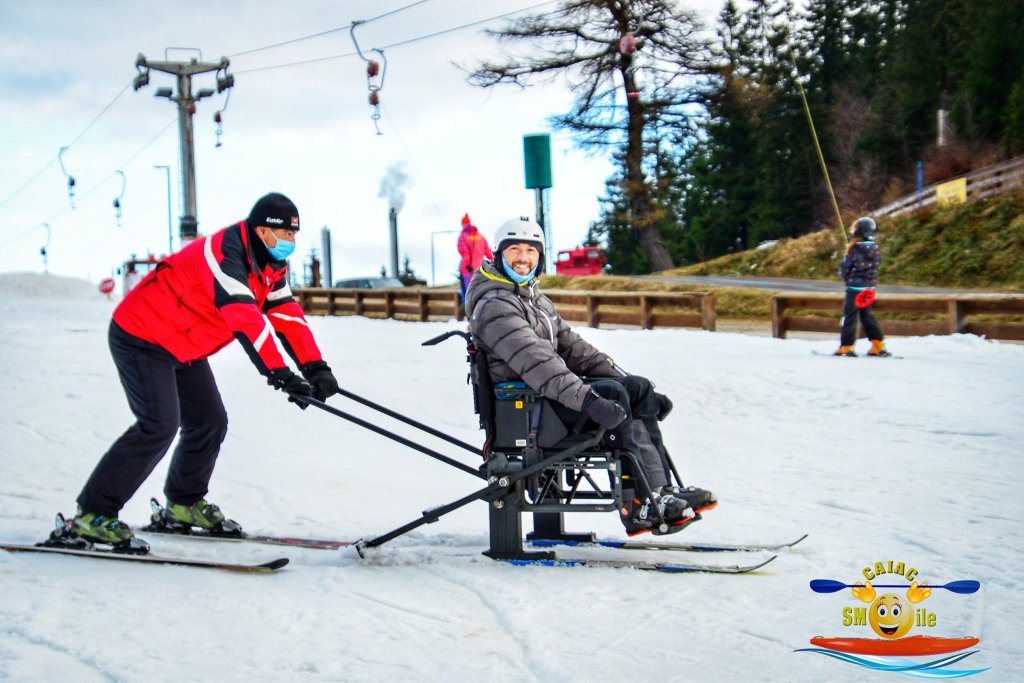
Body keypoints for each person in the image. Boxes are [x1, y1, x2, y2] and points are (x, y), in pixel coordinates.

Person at [71, 192, 340, 549]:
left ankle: (183, 504)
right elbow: (245, 318)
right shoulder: (224, 253)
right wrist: (281, 375)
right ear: (262, 231)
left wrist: (315, 367)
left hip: (184, 346)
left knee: (209, 421)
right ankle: (93, 514)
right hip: (142, 334)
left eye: (294, 235)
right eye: (286, 235)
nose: (291, 242)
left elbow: (286, 313)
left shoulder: (271, 266)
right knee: (159, 424)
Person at [464, 216, 716, 537]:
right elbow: (539, 363)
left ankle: (660, 489)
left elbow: (578, 351)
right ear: (499, 255)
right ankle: (637, 503)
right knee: (611, 395)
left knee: (632, 388)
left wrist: (642, 392)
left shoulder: (533, 299)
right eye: (514, 249)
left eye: (531, 250)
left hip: (546, 402)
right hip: (526, 410)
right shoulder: (495, 305)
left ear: (540, 257)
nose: (523, 258)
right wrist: (588, 400)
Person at [835, 216, 890, 357]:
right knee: (867, 316)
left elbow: (844, 270)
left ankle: (847, 346)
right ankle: (878, 344)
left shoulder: (854, 249)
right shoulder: (875, 249)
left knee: (850, 317)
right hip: (869, 289)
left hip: (854, 289)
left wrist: (847, 276)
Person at [457, 213, 492, 302]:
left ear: (463, 224)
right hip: (479, 269)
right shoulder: (481, 236)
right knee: (478, 291)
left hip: (467, 270)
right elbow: (489, 252)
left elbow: (464, 252)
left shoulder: (463, 236)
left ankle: (469, 312)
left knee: (467, 293)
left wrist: (468, 265)